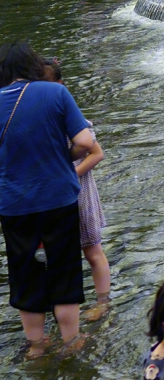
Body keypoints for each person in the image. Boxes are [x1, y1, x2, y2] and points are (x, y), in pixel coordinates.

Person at [0, 42, 95, 357]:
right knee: (64, 267)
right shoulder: (55, 93)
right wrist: (62, 155)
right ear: (33, 67)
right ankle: (71, 342)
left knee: (24, 271)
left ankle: (36, 346)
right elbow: (84, 141)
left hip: (14, 205)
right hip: (58, 198)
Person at [41, 59, 110, 322]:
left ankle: (103, 301)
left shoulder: (70, 117)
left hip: (79, 192)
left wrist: (68, 175)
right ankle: (64, 305)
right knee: (56, 254)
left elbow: (97, 153)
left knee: (92, 249)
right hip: (54, 196)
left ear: (60, 86)